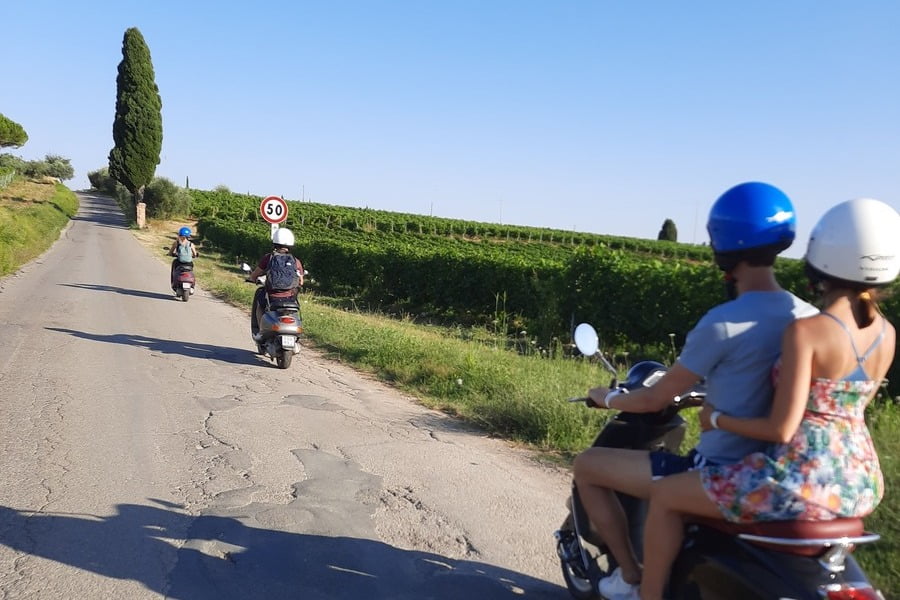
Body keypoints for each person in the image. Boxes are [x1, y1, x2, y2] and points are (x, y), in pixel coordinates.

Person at [638, 197, 900, 600]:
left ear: (821, 256)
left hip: (800, 480)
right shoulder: (886, 333)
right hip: (860, 481)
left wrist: (717, 419)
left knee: (667, 494)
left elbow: (782, 428)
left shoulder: (808, 331)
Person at [571, 182, 818, 600]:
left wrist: (607, 397)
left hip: (716, 468)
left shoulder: (723, 322)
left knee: (587, 465)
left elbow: (653, 399)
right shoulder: (808, 317)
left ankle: (630, 577)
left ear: (720, 243)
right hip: (780, 470)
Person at [246, 227, 304, 342]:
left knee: (260, 306)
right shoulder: (295, 261)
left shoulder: (269, 258)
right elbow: (301, 281)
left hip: (273, 295)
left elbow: (255, 275)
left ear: (275, 242)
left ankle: (260, 332)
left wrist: (251, 278)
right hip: (290, 296)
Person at [168, 226, 198, 291]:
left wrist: (170, 254)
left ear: (179, 234)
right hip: (189, 264)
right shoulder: (191, 244)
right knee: (191, 271)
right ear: (188, 235)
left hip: (179, 262)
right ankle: (192, 286)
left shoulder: (176, 243)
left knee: (175, 269)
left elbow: (171, 252)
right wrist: (194, 256)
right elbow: (195, 254)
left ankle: (174, 282)